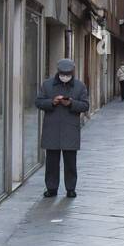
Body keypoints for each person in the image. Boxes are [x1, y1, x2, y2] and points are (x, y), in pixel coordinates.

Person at [35, 58, 89, 197]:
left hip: (70, 129)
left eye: (68, 74)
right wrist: (52, 102)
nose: (65, 76)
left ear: (72, 72)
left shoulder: (79, 86)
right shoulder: (47, 85)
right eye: (63, 74)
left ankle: (70, 188)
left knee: (70, 162)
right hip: (51, 128)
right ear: (58, 72)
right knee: (51, 162)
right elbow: (39, 102)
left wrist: (71, 104)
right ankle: (51, 188)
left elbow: (85, 105)